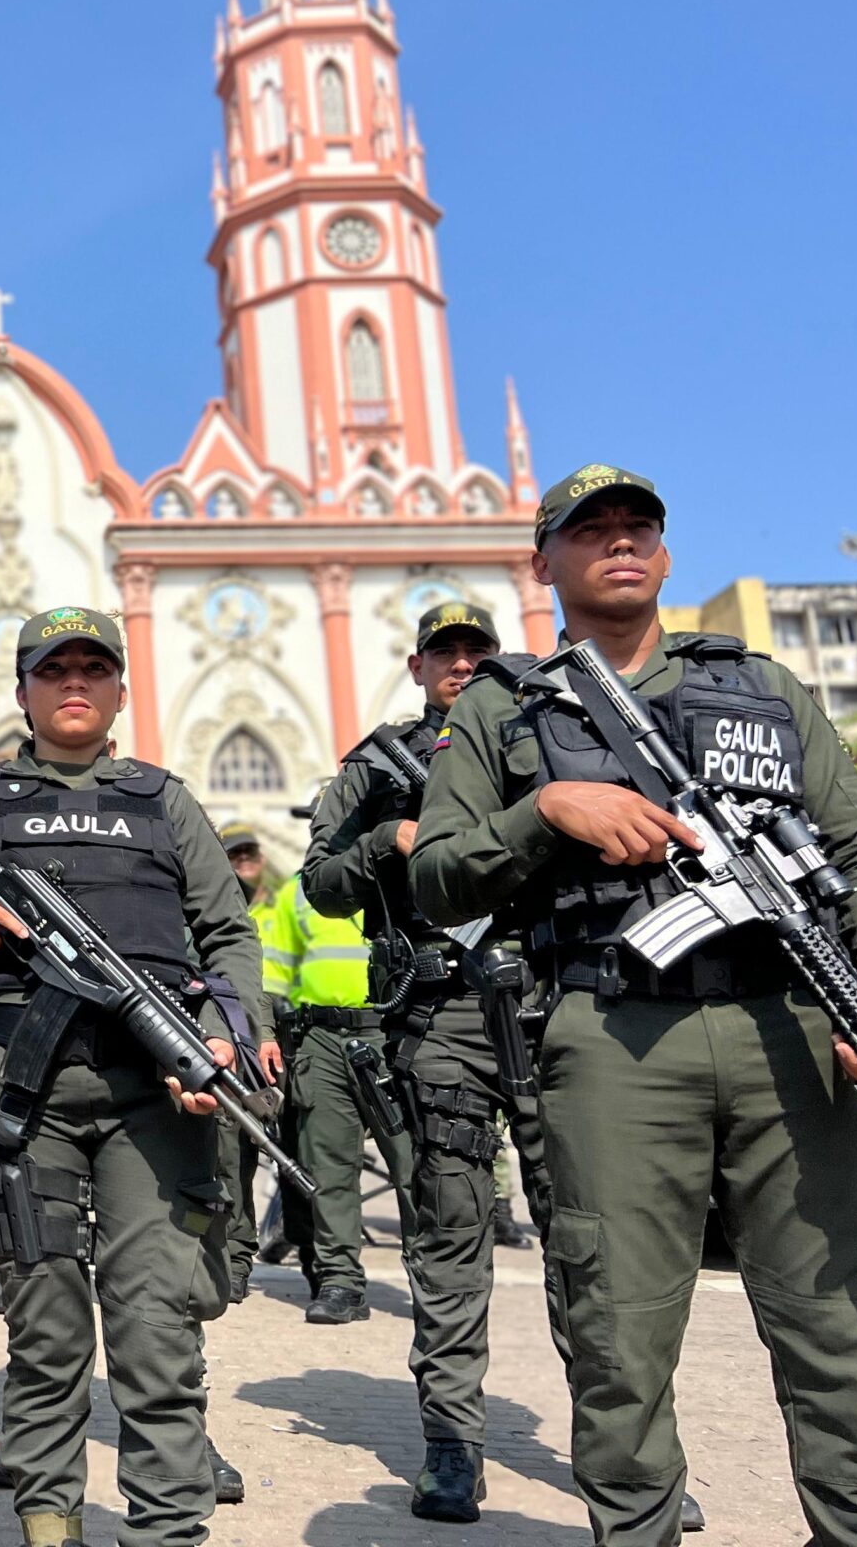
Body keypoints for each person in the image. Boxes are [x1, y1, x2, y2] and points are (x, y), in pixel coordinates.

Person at [414, 465, 857, 1547]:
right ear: (542, 560)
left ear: (664, 547)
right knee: (620, 1329)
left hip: (789, 1025)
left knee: (837, 1319)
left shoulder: (761, 687)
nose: (618, 541)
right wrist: (547, 809)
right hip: (614, 1033)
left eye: (636, 524)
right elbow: (438, 876)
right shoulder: (505, 705)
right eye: (587, 529)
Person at [0, 606, 271, 1547]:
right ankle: (50, 1522)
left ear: (119, 689)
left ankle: (169, 1528)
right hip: (25, 1102)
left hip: (155, 1098)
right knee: (47, 1331)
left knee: (157, 1331)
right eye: (52, 669)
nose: (74, 684)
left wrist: (228, 1035)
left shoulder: (162, 800)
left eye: (92, 669)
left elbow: (228, 934)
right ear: (23, 691)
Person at [302, 598, 560, 1521]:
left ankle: (622, 1456)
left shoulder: (549, 736)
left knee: (587, 1234)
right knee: (450, 1232)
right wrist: (385, 843)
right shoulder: (378, 766)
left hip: (546, 1007)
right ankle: (453, 1446)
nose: (459, 666)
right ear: (417, 668)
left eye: (474, 653)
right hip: (440, 1013)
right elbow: (321, 886)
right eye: (443, 654)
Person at [274, 865, 414, 1325]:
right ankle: (341, 1283)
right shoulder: (296, 890)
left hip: (394, 1034)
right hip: (319, 1036)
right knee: (327, 1166)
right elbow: (269, 972)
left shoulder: (412, 870)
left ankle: (434, 1279)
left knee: (414, 1163)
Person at [214, 821, 287, 1300]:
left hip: (231, 1037)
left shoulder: (237, 905)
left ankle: (236, 1258)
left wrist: (263, 1035)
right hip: (178, 1033)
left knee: (233, 1151)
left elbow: (247, 978)